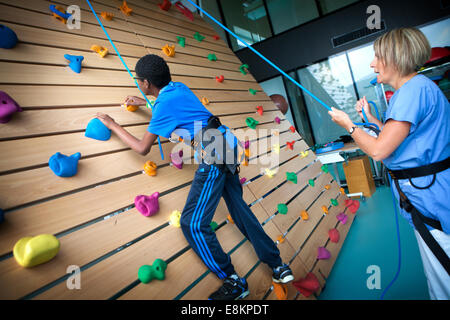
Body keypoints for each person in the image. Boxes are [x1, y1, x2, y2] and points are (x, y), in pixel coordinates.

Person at [96, 54, 294, 300]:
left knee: (192, 223)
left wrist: (112, 123)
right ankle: (278, 266)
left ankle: (232, 280)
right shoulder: (178, 88)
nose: (140, 85)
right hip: (228, 146)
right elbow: (175, 109)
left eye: (140, 81)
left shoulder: (162, 105)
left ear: (146, 83)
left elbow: (141, 148)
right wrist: (146, 103)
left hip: (213, 155)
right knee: (240, 210)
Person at [328, 28, 450, 299]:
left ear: (395, 58)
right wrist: (370, 119)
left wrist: (349, 125)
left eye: (377, 57)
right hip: (432, 194)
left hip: (431, 199)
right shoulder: (419, 88)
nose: (372, 63)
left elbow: (380, 150)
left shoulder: (410, 92)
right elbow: (399, 138)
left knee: (443, 279)